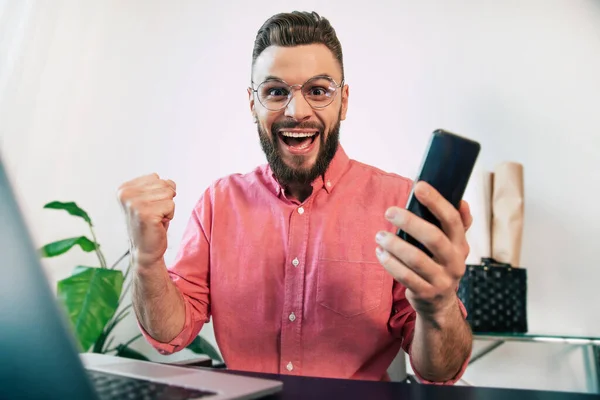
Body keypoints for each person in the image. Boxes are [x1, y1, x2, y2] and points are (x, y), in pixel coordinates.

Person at [117, 11, 473, 384]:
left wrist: (438, 308)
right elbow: (170, 335)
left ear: (344, 102)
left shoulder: (398, 205)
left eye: (318, 91)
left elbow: (440, 371)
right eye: (276, 91)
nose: (296, 111)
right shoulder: (217, 203)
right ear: (253, 103)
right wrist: (146, 261)